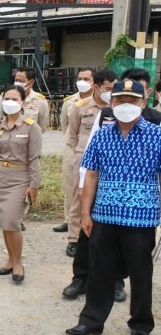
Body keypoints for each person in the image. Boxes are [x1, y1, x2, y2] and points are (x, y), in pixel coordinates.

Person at [66, 80, 161, 335]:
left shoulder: (156, 135)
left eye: (132, 100)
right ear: (111, 103)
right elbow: (92, 175)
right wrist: (85, 213)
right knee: (100, 270)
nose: (125, 105)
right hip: (104, 216)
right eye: (120, 100)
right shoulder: (102, 135)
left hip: (141, 217)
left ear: (143, 102)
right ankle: (91, 320)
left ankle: (141, 323)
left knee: (140, 272)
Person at [0, 85, 42, 284]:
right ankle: (9, 260)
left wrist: (34, 184)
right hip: (1, 178)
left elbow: (35, 159)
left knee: (12, 222)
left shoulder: (31, 127)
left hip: (21, 178)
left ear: (22, 102)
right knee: (4, 222)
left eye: (15, 99)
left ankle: (18, 263)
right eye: (7, 98)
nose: (10, 102)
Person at [0, 67, 48, 234]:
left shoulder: (39, 101)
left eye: (21, 80)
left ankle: (16, 219)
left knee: (12, 219)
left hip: (22, 158)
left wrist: (25, 135)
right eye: (16, 78)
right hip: (2, 153)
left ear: (31, 82)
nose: (17, 82)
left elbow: (42, 125)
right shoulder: (2, 104)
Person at [63, 70, 115, 258]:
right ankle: (73, 239)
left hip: (108, 161)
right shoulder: (80, 107)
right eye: (108, 88)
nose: (111, 92)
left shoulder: (116, 108)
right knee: (79, 198)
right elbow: (71, 134)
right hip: (83, 158)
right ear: (97, 87)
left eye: (113, 88)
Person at [54, 68, 95, 234]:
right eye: (80, 78)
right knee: (71, 186)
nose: (82, 82)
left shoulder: (100, 103)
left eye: (86, 78)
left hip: (90, 150)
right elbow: (66, 127)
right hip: (73, 150)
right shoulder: (69, 102)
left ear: (94, 82)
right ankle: (69, 220)